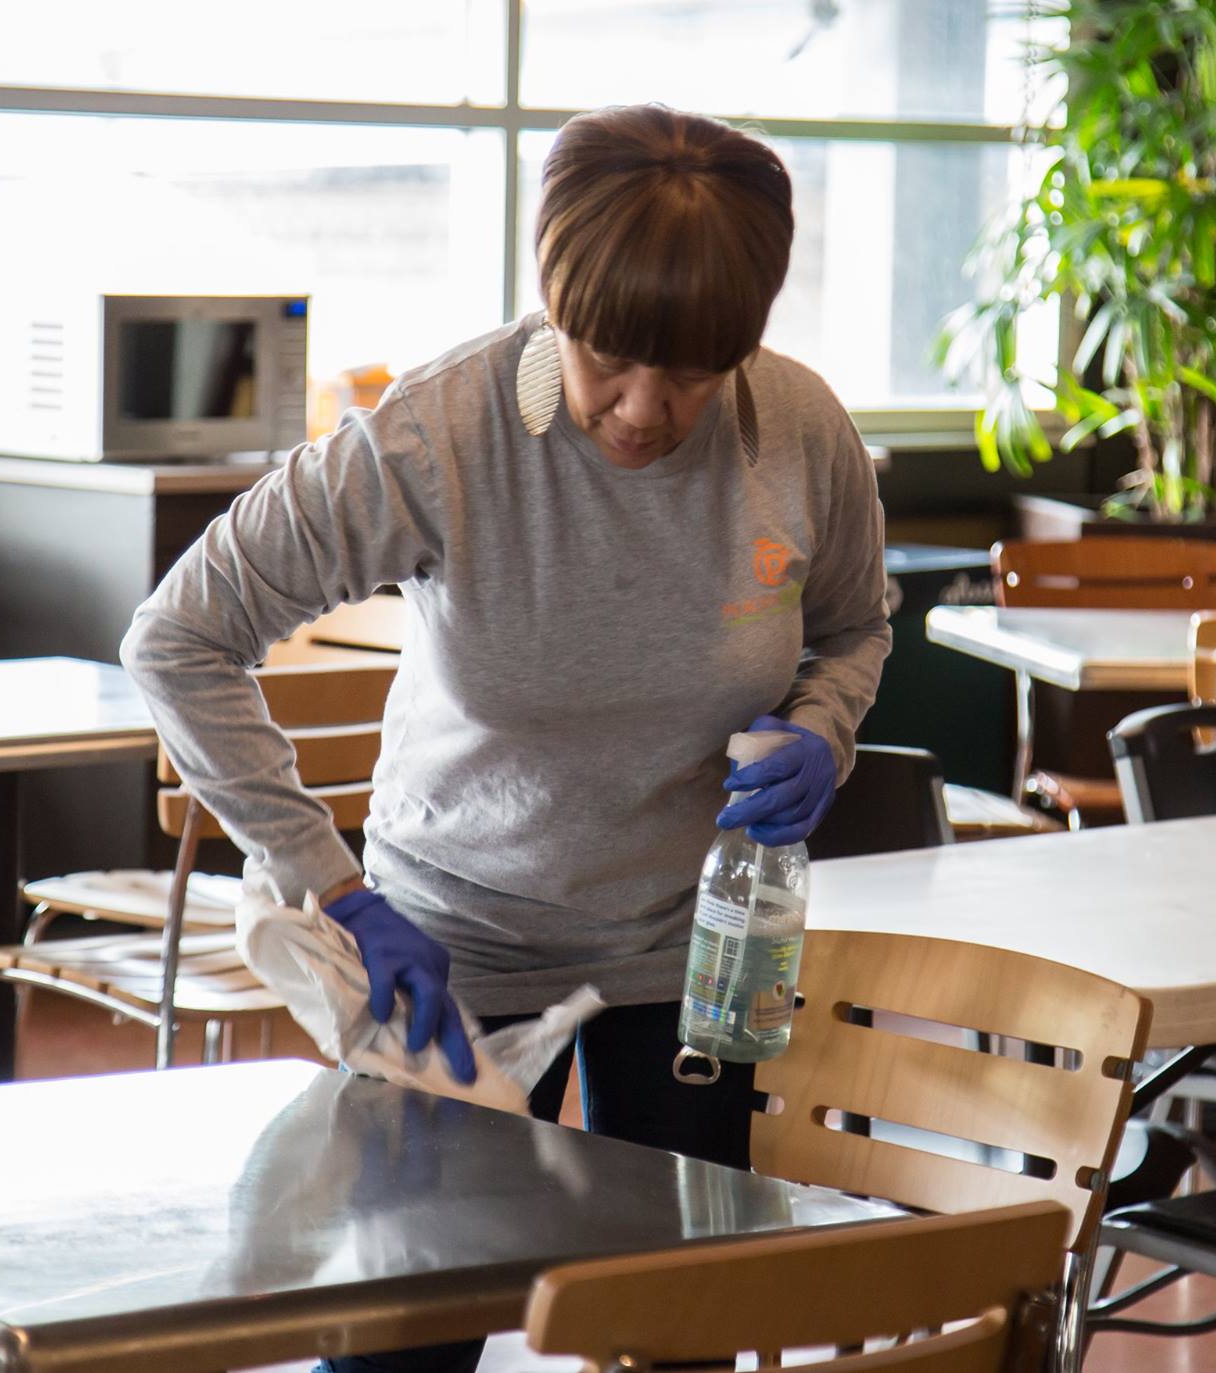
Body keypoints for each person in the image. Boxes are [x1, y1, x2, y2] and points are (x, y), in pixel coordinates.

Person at [122, 102, 890, 1372]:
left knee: (682, 1330)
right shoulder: (438, 437)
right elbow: (176, 639)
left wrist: (823, 727)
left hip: (695, 947)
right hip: (449, 947)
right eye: (607, 361)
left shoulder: (798, 427)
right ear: (551, 302)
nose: (644, 410)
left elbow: (855, 621)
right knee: (404, 1347)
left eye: (693, 375)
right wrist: (336, 888)